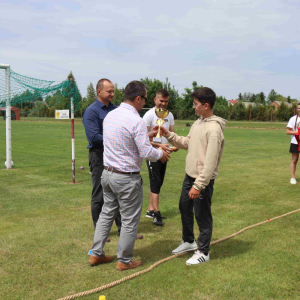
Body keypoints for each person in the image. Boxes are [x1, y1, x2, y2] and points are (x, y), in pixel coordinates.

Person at [88, 80, 170, 270]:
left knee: (106, 215)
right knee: (130, 220)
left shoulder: (110, 116)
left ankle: (96, 254)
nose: (145, 103)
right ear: (138, 98)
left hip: (107, 175)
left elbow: (122, 141)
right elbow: (147, 153)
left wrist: (145, 137)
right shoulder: (136, 120)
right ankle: (124, 260)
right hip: (126, 178)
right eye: (145, 99)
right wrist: (161, 154)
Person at [155, 87, 226, 265]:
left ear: (206, 105)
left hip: (202, 179)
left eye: (195, 104)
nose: (193, 107)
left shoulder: (214, 129)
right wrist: (168, 135)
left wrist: (199, 185)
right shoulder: (198, 123)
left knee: (202, 214)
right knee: (184, 207)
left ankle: (203, 251)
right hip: (190, 176)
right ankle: (188, 241)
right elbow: (187, 142)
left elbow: (210, 162)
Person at [82, 78, 142, 241]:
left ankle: (124, 229)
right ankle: (99, 230)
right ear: (99, 91)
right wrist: (118, 138)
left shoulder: (116, 110)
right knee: (99, 195)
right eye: (109, 91)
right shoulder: (92, 111)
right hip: (99, 156)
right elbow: (93, 137)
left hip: (116, 156)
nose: (112, 94)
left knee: (119, 196)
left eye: (114, 91)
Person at [143, 89, 177, 226]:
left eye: (166, 101)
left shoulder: (170, 115)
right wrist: (159, 146)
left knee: (158, 182)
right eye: (161, 100)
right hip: (152, 154)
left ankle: (150, 210)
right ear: (155, 100)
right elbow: (143, 139)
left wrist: (174, 145)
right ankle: (156, 214)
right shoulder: (149, 115)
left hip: (164, 153)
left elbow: (172, 134)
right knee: (155, 183)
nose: (163, 104)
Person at [286, 102, 300, 184]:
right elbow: (287, 131)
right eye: (299, 108)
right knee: (294, 160)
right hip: (295, 142)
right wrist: (298, 132)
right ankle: (293, 178)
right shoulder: (292, 119)